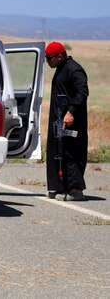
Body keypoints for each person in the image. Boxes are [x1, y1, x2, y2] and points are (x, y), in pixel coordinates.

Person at [44, 41, 89, 201]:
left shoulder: (73, 69)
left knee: (71, 152)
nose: (47, 61)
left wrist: (71, 112)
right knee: (57, 151)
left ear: (60, 56)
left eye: (49, 58)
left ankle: (75, 189)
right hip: (59, 119)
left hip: (72, 120)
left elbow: (83, 92)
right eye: (46, 58)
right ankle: (58, 187)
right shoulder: (61, 68)